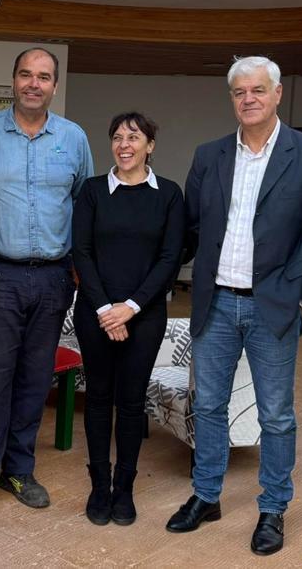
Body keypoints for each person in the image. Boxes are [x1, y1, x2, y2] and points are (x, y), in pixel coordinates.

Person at [167, 55, 302, 556]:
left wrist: (300, 293)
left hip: (274, 307)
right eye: (240, 92)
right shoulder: (210, 155)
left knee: (276, 415)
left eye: (258, 90)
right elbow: (192, 228)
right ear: (232, 98)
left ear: (277, 93)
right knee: (208, 405)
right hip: (216, 303)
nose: (249, 99)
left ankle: (273, 507)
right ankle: (206, 496)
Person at [0, 47, 93, 527]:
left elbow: (84, 205)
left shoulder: (73, 138)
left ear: (54, 85)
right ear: (13, 80)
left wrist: (78, 269)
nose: (34, 83)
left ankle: (18, 470)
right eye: (26, 75)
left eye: (44, 76)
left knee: (35, 380)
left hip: (53, 278)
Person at [71, 112, 184, 526]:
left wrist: (131, 307)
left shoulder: (168, 194)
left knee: (132, 402)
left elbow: (170, 258)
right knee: (99, 398)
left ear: (150, 146)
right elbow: (81, 252)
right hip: (95, 313)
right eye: (117, 137)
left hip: (145, 315)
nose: (124, 144)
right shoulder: (92, 191)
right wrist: (107, 310)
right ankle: (99, 485)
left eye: (134, 137)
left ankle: (125, 488)